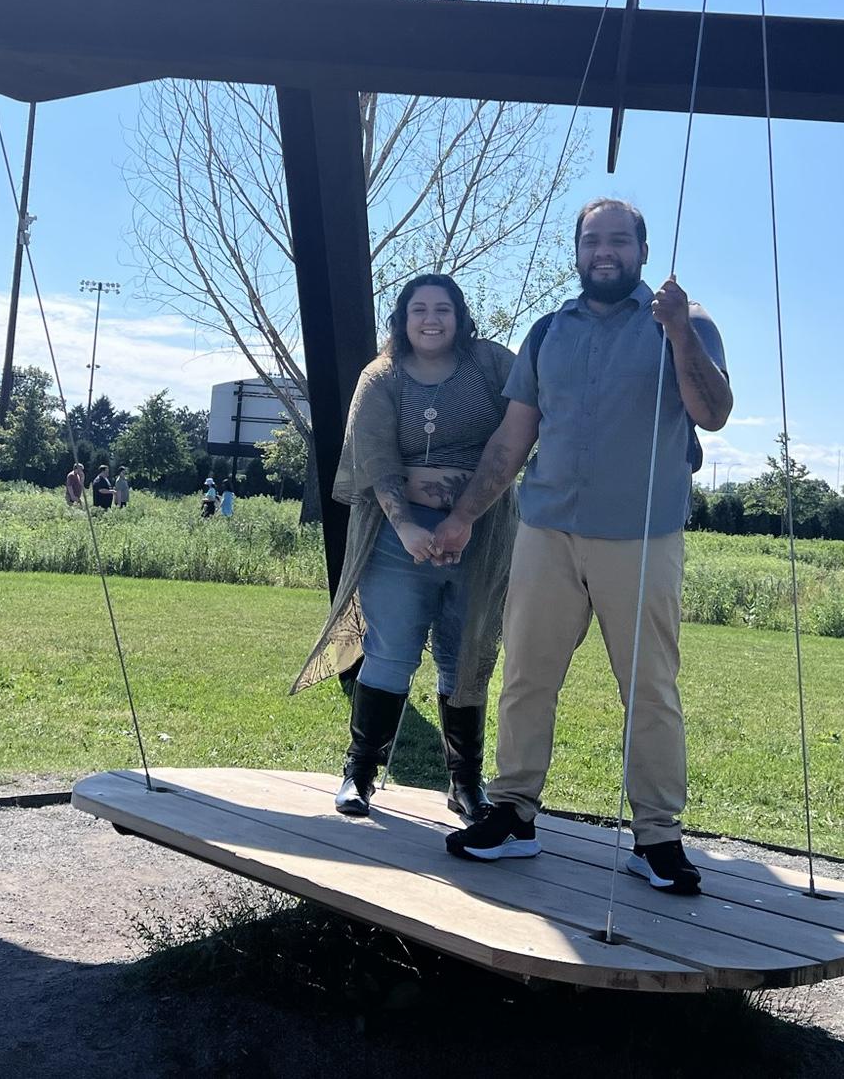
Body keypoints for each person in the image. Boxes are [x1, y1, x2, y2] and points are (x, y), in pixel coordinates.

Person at [432, 199, 731, 894]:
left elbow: (713, 413)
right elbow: (513, 438)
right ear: (576, 251)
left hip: (643, 536)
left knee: (649, 689)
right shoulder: (547, 333)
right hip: (546, 532)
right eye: (592, 240)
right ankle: (513, 814)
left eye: (619, 240)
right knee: (526, 676)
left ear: (642, 251)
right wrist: (465, 516)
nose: (604, 252)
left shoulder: (686, 321)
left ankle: (656, 837)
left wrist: (677, 331)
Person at [292, 273, 519, 822]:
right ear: (402, 318)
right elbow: (375, 459)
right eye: (419, 309)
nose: (431, 319)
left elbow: (525, 425)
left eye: (443, 309)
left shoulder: (492, 365)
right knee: (390, 652)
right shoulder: (381, 376)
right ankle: (360, 773)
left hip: (482, 535)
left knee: (464, 656)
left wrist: (463, 519)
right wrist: (409, 529)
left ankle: (465, 783)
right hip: (399, 537)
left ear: (461, 317)